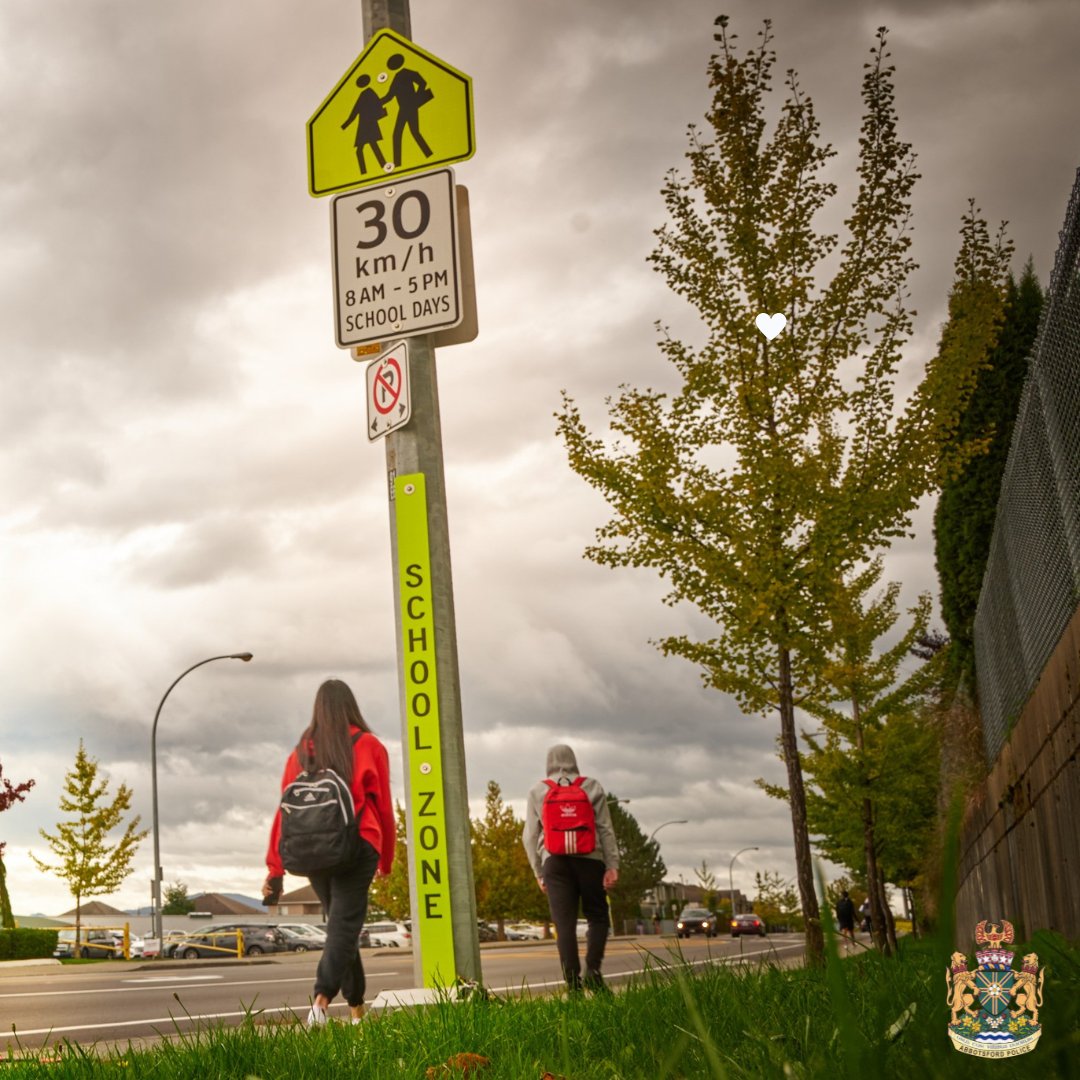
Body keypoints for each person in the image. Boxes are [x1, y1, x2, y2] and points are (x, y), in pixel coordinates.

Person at [263, 678, 395, 1027]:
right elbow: (382, 807)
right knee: (344, 925)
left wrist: (274, 867)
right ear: (351, 706)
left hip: (312, 849)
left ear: (318, 709)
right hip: (359, 843)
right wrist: (387, 858)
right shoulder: (369, 746)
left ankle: (356, 1011)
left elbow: (283, 811)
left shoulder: (301, 751)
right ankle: (320, 1003)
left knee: (341, 924)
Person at [522, 744, 619, 992]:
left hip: (555, 862)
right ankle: (593, 971)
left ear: (548, 762)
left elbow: (530, 836)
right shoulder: (592, 786)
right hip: (590, 858)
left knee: (563, 923)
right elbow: (606, 829)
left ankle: (572, 984)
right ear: (574, 761)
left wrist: (538, 871)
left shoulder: (538, 790)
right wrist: (612, 865)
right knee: (598, 916)